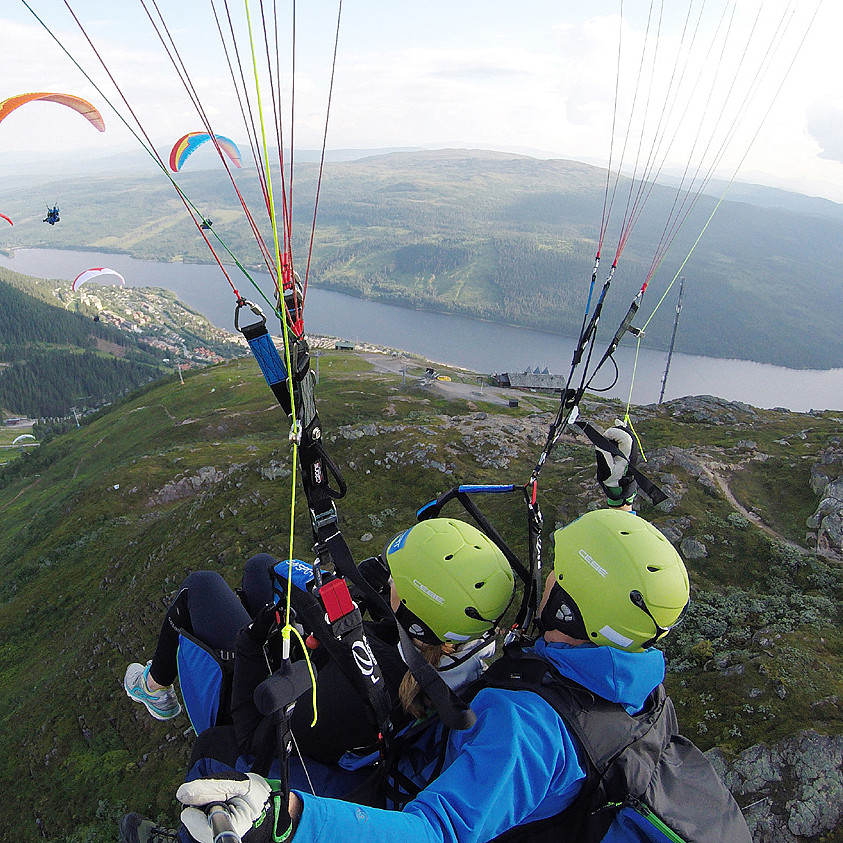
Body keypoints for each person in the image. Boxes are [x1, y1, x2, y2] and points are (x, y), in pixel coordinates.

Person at [170, 507, 752, 843]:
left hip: (397, 794)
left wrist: (291, 816)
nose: (544, 581)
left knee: (216, 756)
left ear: (568, 608)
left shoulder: (528, 730)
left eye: (557, 578)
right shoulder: (631, 674)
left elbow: (437, 833)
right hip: (426, 752)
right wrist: (621, 494)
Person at [120, 518, 516, 842]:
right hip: (342, 684)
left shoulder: (354, 689)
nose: (389, 582)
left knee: (200, 587)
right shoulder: (460, 663)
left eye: (397, 582)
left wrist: (253, 642)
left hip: (282, 712)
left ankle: (155, 689)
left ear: (412, 612)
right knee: (261, 569)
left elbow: (253, 736)